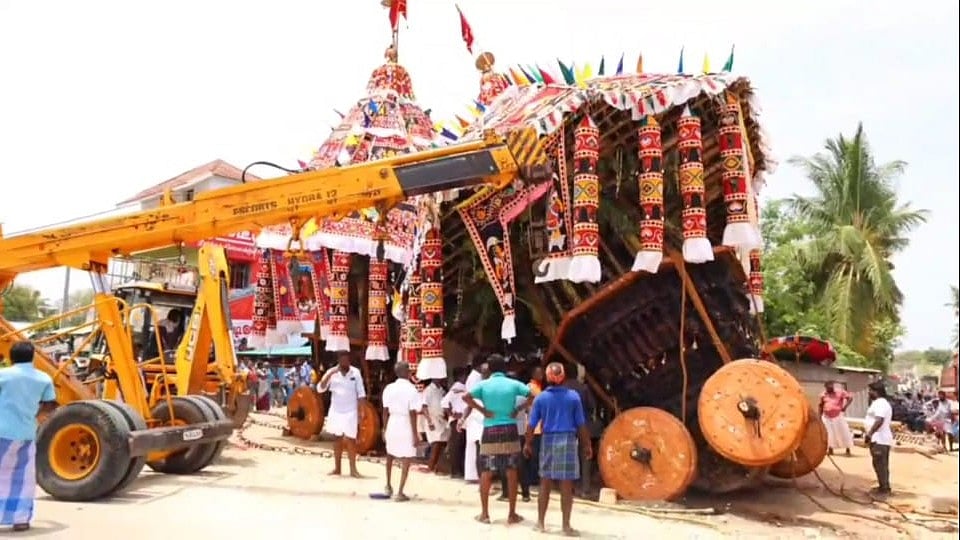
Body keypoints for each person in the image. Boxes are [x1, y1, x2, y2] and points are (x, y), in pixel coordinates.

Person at [463, 354, 534, 525]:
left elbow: (466, 397)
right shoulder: (514, 384)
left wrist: (483, 411)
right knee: (511, 470)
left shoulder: (483, 385)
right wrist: (518, 408)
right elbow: (532, 396)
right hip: (510, 428)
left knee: (486, 471)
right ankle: (512, 514)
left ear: (490, 368)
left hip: (490, 428)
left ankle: (485, 514)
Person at [525, 362, 592, 536]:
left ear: (547, 377)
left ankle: (540, 523)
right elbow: (581, 424)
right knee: (566, 485)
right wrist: (587, 445)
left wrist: (528, 443)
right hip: (568, 441)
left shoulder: (541, 398)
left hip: (548, 440)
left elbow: (531, 425)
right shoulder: (573, 397)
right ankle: (566, 526)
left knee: (545, 483)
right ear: (563, 377)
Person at [0, 341, 58, 532]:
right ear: (33, 356)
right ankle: (20, 519)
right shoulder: (43, 378)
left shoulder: (3, 375)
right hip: (26, 432)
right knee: (23, 477)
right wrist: (34, 415)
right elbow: (50, 404)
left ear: (11, 356)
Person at [317, 352, 367, 477]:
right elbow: (320, 388)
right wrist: (330, 373)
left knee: (351, 440)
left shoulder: (355, 373)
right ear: (339, 360)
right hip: (336, 411)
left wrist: (362, 411)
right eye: (343, 360)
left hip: (351, 411)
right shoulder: (332, 373)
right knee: (337, 439)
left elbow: (361, 393)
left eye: (347, 360)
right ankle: (337, 468)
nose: (346, 362)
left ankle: (353, 470)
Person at [380, 362, 420, 501]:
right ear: (408, 372)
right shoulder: (412, 389)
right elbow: (413, 413)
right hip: (405, 423)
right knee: (406, 457)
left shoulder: (389, 388)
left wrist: (384, 428)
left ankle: (388, 485)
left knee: (390, 454)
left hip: (392, 422)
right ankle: (400, 492)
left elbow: (384, 411)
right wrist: (415, 434)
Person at [563, 364, 598, 497]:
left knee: (568, 458)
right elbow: (592, 406)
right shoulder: (583, 388)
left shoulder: (561, 389)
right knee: (585, 457)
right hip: (583, 426)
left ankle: (569, 488)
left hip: (566, 427)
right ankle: (585, 489)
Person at [499, 369, 532, 502]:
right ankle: (525, 494)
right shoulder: (522, 397)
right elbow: (529, 411)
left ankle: (506, 493)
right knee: (521, 464)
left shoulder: (503, 396)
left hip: (505, 431)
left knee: (504, 463)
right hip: (520, 433)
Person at [865, 380, 894, 496]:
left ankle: (884, 489)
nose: (869, 393)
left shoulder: (881, 404)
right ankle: (883, 486)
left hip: (880, 439)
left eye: (870, 391)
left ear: (876, 392)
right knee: (879, 464)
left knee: (880, 464)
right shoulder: (877, 403)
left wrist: (870, 433)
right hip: (877, 438)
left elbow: (879, 420)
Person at [462, 357, 489, 483]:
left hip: (477, 418)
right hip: (478, 419)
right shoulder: (476, 380)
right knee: (479, 449)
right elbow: (469, 401)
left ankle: (475, 476)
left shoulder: (479, 382)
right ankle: (478, 477)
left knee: (477, 449)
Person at [441, 369, 468, 478]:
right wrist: (452, 414)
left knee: (459, 446)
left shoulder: (461, 388)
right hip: (459, 419)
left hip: (461, 418)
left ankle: (458, 470)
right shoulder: (457, 388)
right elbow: (444, 403)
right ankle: (456, 470)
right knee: (457, 446)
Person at [419, 378, 449, 473]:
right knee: (435, 442)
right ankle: (430, 466)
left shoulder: (442, 390)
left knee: (442, 442)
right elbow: (424, 407)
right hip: (432, 418)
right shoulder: (428, 390)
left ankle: (438, 466)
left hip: (442, 419)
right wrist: (429, 421)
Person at [819, 381, 854, 456]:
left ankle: (848, 449)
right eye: (828, 387)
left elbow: (850, 398)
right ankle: (830, 449)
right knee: (829, 434)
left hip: (838, 415)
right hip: (827, 416)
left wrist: (845, 407)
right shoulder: (823, 394)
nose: (830, 388)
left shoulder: (840, 392)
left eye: (831, 387)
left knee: (843, 432)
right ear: (825, 387)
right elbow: (821, 405)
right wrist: (819, 416)